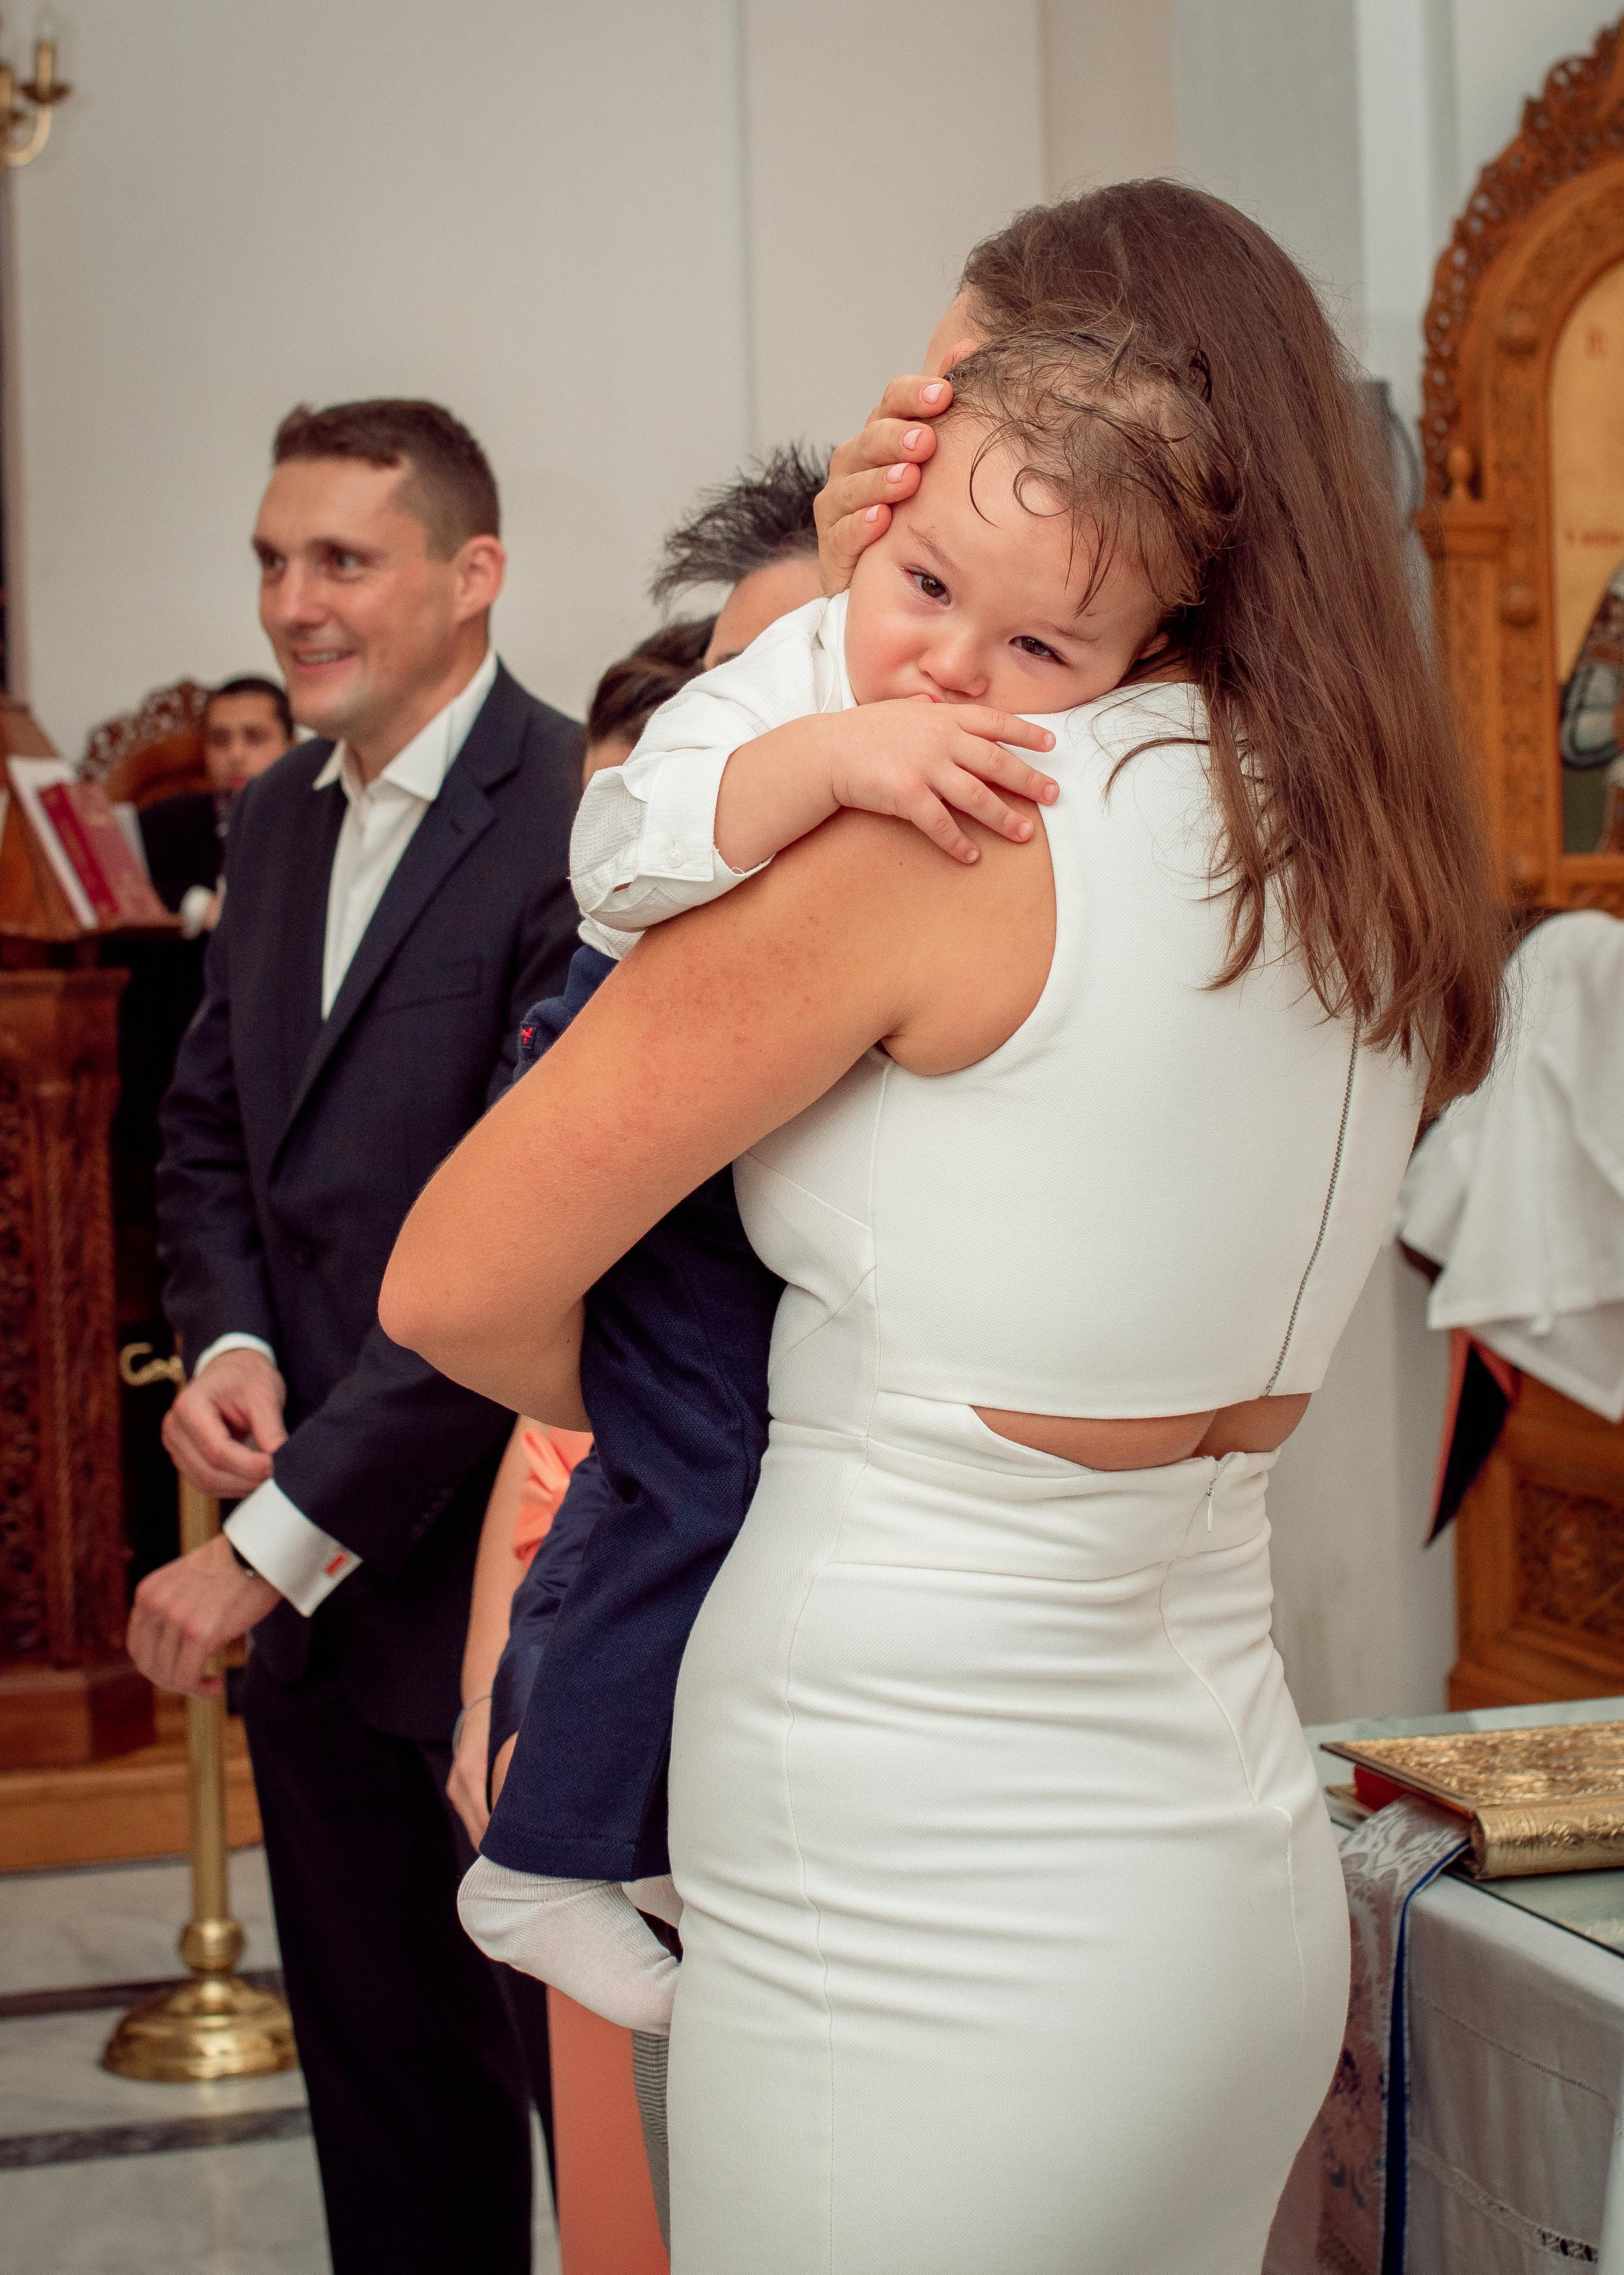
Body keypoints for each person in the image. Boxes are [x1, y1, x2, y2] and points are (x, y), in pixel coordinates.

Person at [383, 183, 1503, 2275]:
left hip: (914, 1876)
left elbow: (454, 1274)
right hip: (1228, 1878)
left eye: (934, 397)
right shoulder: (1359, 850)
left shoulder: (959, 817)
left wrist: (701, 1394)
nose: (895, 442)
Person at [126, 397, 581, 2275]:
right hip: (313, 1596)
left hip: (494, 1579)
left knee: (593, 2118)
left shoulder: (571, 813)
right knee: (390, 2119)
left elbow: (525, 1245)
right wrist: (229, 1351)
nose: (292, 603)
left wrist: (271, 1538)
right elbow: (211, 1132)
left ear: (471, 576)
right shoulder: (269, 815)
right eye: (270, 559)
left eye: (341, 559)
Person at [139, 675, 296, 933]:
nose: (235, 755)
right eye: (220, 740)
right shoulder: (165, 820)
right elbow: (123, 884)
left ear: (291, 747)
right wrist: (197, 905)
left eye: (255, 738)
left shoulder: (321, 819)